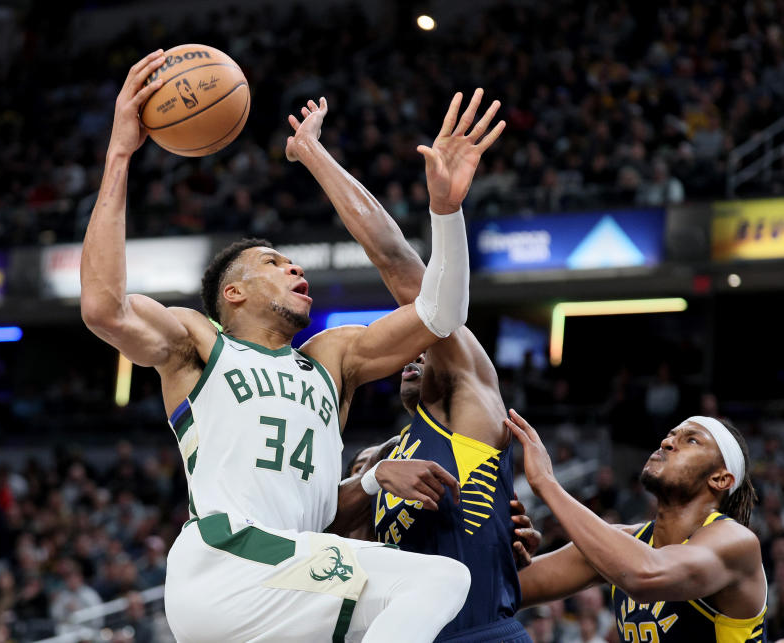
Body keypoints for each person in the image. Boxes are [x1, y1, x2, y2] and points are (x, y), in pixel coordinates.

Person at [80, 49, 498, 642]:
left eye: (295, 262)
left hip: (284, 575)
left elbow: (440, 314)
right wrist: (121, 151)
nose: (295, 269)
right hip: (224, 560)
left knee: (402, 610)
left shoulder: (332, 359)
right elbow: (104, 308)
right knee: (437, 584)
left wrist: (446, 212)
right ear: (233, 292)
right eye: (274, 263)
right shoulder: (200, 343)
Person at [287, 89, 534, 641]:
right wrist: (370, 480)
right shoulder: (378, 459)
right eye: (408, 349)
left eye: (423, 346)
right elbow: (315, 547)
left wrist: (315, 156)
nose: (415, 353)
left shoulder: (466, 400)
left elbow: (397, 262)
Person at [508, 409, 767, 642]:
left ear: (721, 479)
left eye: (691, 440)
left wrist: (546, 483)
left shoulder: (737, 542)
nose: (666, 442)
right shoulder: (624, 542)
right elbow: (507, 591)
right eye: (670, 435)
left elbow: (645, 575)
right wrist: (505, 552)